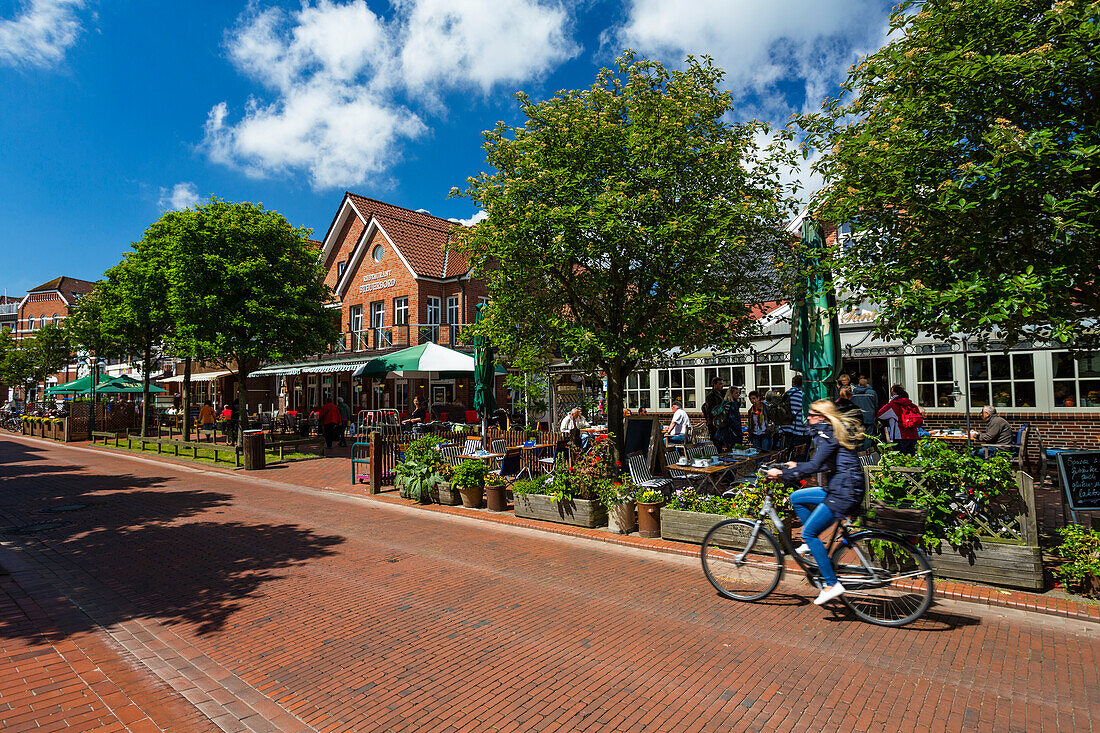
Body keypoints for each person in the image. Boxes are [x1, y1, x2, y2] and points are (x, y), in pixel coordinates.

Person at [767, 399, 865, 606]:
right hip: (840, 486)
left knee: (809, 532)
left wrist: (784, 473)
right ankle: (813, 545)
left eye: (811, 414)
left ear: (821, 417)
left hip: (843, 491)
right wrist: (798, 465)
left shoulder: (826, 434)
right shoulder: (827, 432)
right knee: (797, 498)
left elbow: (816, 465)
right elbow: (821, 463)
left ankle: (831, 584)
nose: (807, 418)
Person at [877, 385, 922, 455]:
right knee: (912, 459)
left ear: (894, 394)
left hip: (900, 436)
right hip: (913, 435)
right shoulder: (912, 405)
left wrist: (890, 402)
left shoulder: (893, 405)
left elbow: (880, 414)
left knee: (900, 459)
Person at [779, 375, 810, 451]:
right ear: (803, 384)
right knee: (799, 457)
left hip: (785, 429)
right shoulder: (802, 395)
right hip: (799, 430)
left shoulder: (785, 395)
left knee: (788, 454)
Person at [703, 377, 730, 452]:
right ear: (714, 385)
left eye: (722, 383)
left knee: (724, 443)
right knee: (717, 444)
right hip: (715, 424)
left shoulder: (723, 394)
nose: (722, 385)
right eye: (720, 384)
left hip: (723, 423)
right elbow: (710, 411)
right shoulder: (711, 396)